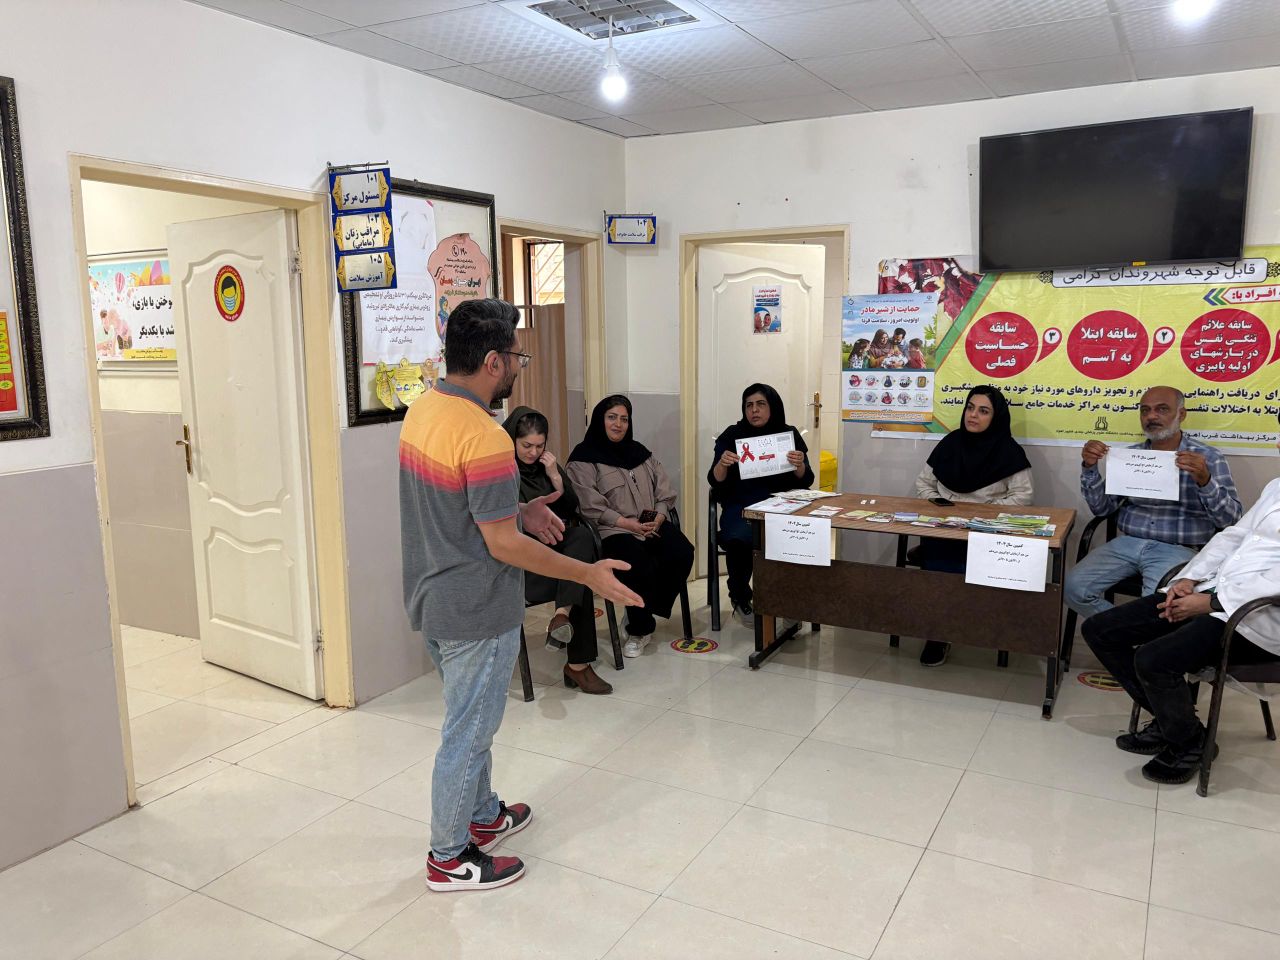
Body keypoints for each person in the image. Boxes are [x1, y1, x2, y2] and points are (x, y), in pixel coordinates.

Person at [399, 299, 640, 892]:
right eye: (515, 356)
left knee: (471, 720)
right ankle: (448, 857)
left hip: (433, 597)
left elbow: (457, 507)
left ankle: (482, 816)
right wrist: (586, 574)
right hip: (475, 609)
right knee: (469, 733)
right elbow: (503, 545)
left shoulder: (425, 409)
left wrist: (520, 508)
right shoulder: (483, 434)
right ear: (491, 361)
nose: (518, 366)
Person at [1082, 412, 1280, 784]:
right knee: (1100, 630)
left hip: (1256, 618)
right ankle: (1179, 723)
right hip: (1214, 591)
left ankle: (1187, 743)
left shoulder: (1207, 458)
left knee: (1153, 659)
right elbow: (1233, 536)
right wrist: (1189, 577)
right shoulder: (1277, 486)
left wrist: (1213, 603)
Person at [1066, 386, 1242, 621]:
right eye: (1145, 410)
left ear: (1181, 414)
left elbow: (1231, 520)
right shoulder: (1131, 457)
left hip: (1179, 548)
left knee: (1156, 608)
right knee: (1073, 589)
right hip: (1128, 543)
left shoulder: (1207, 458)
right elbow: (1102, 509)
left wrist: (1205, 480)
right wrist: (1090, 468)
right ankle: (1121, 633)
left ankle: (1125, 634)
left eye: (1162, 409)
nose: (1151, 416)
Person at [914, 385, 1034, 666]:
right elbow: (923, 483)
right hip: (945, 527)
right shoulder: (950, 443)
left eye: (983, 411)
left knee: (957, 563)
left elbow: (1023, 497)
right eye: (970, 408)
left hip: (985, 531)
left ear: (996, 417)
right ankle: (939, 633)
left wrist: (983, 514)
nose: (973, 415)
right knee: (940, 560)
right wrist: (941, 505)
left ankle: (967, 625)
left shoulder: (1009, 451)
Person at [566, 395, 695, 657]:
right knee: (637, 564)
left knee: (682, 552)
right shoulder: (583, 459)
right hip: (613, 529)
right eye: (612, 417)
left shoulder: (641, 454)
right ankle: (639, 629)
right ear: (600, 420)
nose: (618, 424)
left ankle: (644, 609)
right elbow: (589, 506)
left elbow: (664, 493)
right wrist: (628, 524)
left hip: (650, 524)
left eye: (624, 419)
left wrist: (660, 517)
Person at [502, 405, 612, 695]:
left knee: (581, 541)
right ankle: (578, 666)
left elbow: (573, 508)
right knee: (580, 575)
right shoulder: (500, 471)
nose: (533, 453)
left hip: (555, 556)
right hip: (523, 567)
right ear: (512, 440)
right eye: (526, 445)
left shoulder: (545, 466)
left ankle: (561, 616)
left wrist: (555, 476)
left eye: (539, 446)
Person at [709, 383, 813, 627]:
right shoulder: (732, 435)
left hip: (783, 504)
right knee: (740, 537)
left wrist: (799, 465)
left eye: (760, 404)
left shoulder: (788, 434)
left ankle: (789, 601)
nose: (754, 410)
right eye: (749, 405)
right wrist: (722, 464)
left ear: (772, 406)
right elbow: (715, 480)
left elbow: (807, 479)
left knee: (797, 535)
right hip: (742, 505)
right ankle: (740, 597)